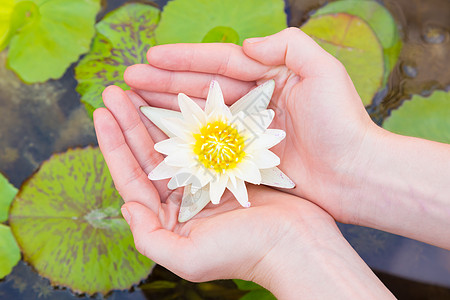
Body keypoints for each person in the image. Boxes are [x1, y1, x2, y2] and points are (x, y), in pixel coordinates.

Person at [93, 28, 450, 299]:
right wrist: (356, 167)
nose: (217, 143)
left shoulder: (258, 131)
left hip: (242, 160)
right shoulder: (193, 140)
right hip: (218, 167)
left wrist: (354, 163)